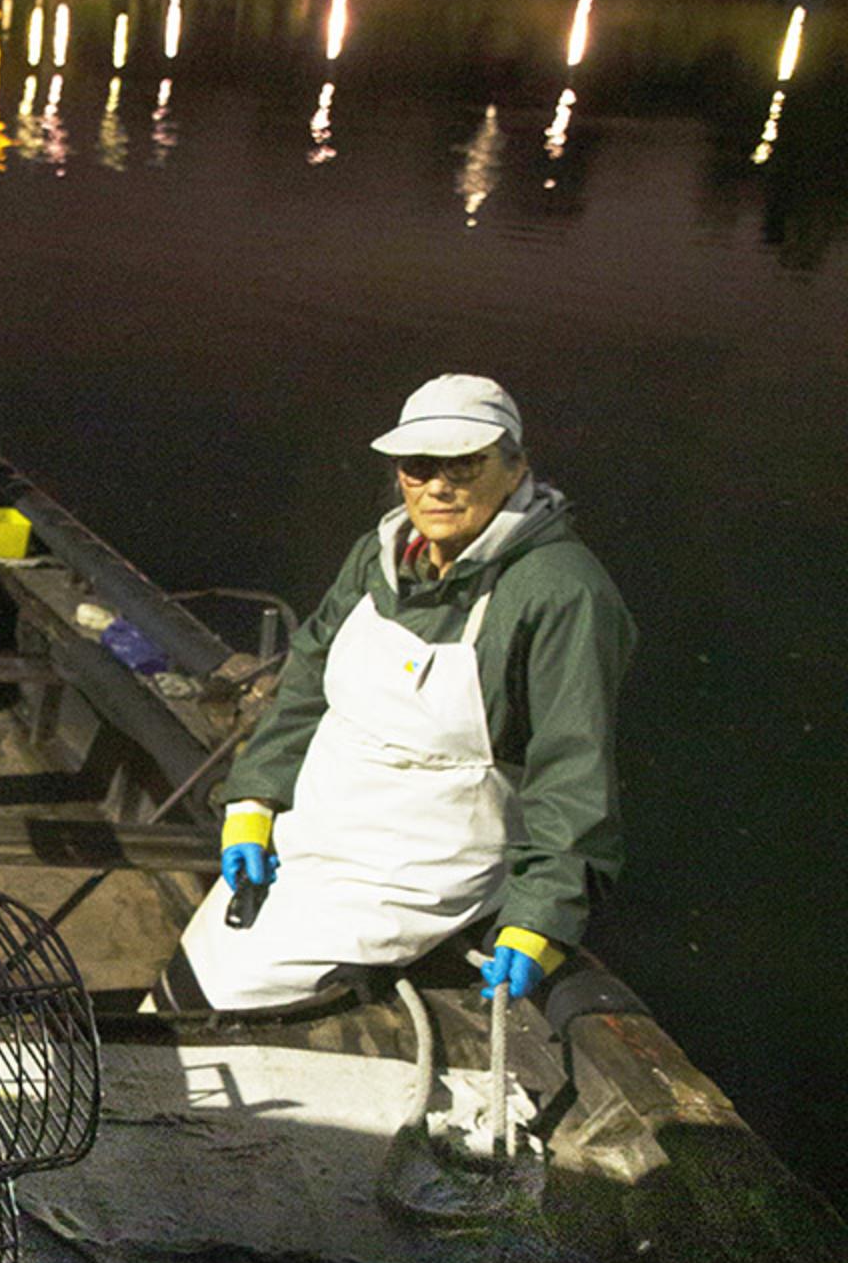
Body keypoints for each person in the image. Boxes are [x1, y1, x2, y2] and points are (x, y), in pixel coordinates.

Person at [177, 373, 635, 1017]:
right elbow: (307, 681)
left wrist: (541, 919)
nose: (438, 486)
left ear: (516, 466)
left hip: (420, 869)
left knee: (224, 999)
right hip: (317, 832)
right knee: (192, 970)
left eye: (465, 463)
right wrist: (254, 798)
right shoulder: (381, 553)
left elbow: (573, 772)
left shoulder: (561, 593)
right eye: (419, 466)